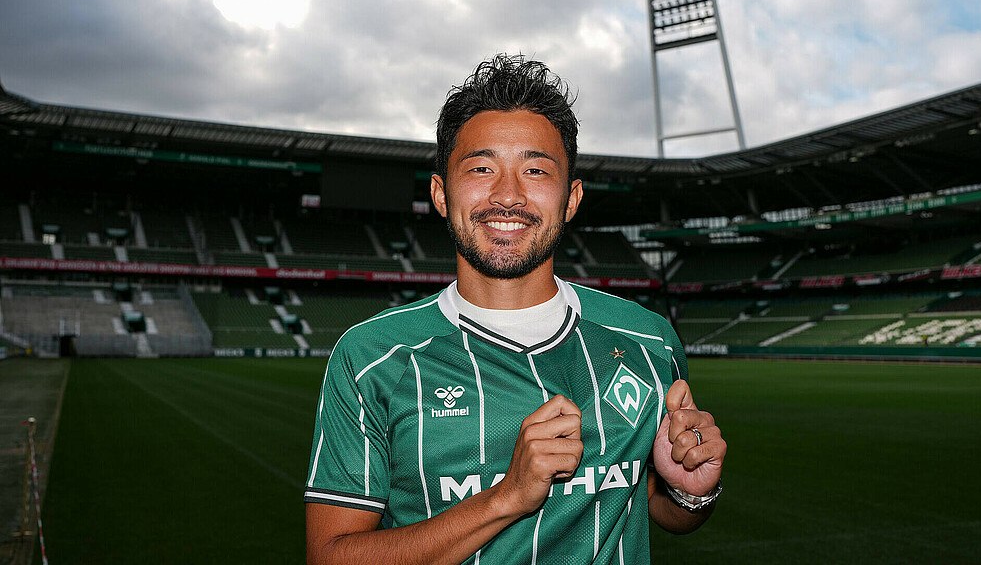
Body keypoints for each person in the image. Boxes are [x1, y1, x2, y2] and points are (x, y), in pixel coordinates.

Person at [304, 54, 726, 565]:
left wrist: (689, 492)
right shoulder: (371, 358)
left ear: (571, 200)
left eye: (535, 169)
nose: (508, 195)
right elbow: (331, 556)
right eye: (482, 168)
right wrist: (506, 497)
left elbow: (663, 508)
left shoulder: (648, 339)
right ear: (441, 193)